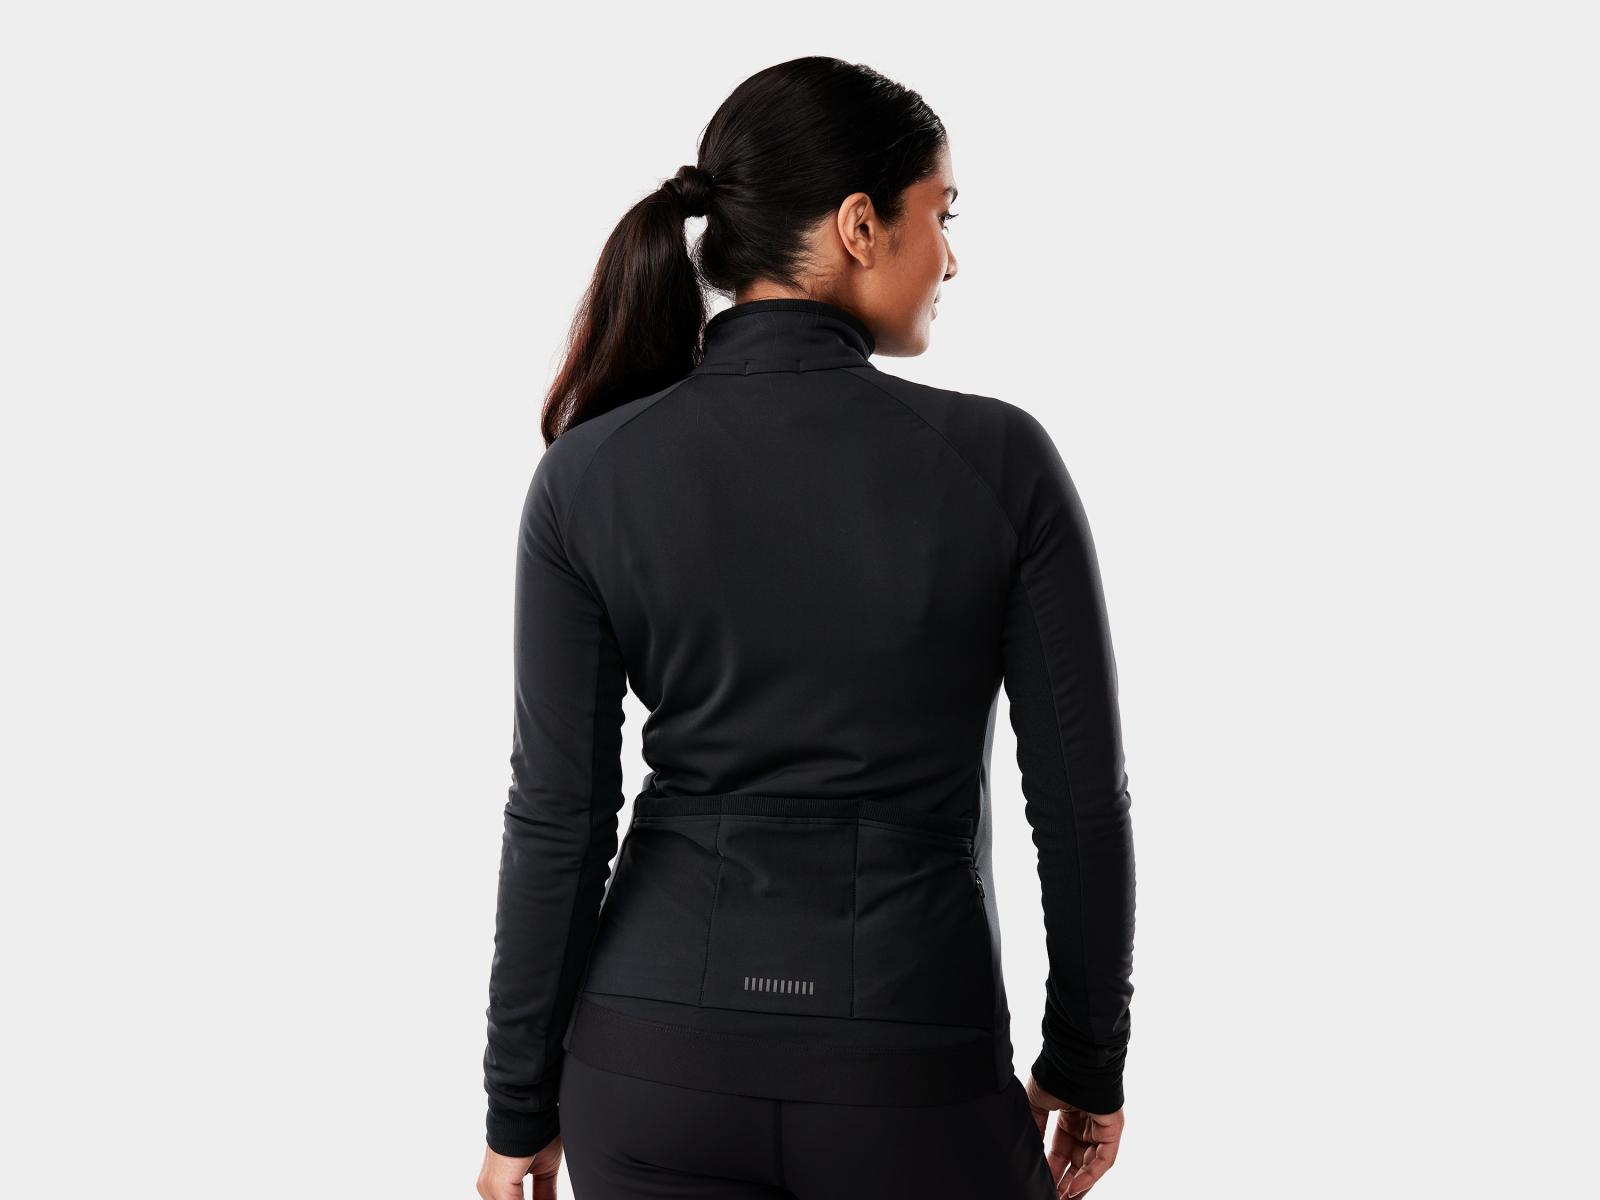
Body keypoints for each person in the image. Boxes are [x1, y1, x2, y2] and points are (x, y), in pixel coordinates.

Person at [477, 55, 1136, 1200]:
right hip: (906, 1071)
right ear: (859, 225)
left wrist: (518, 1104)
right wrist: (1085, 1059)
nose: (950, 257)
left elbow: (557, 817)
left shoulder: (588, 475)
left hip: (649, 1070)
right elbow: (1078, 808)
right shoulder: (996, 463)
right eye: (941, 214)